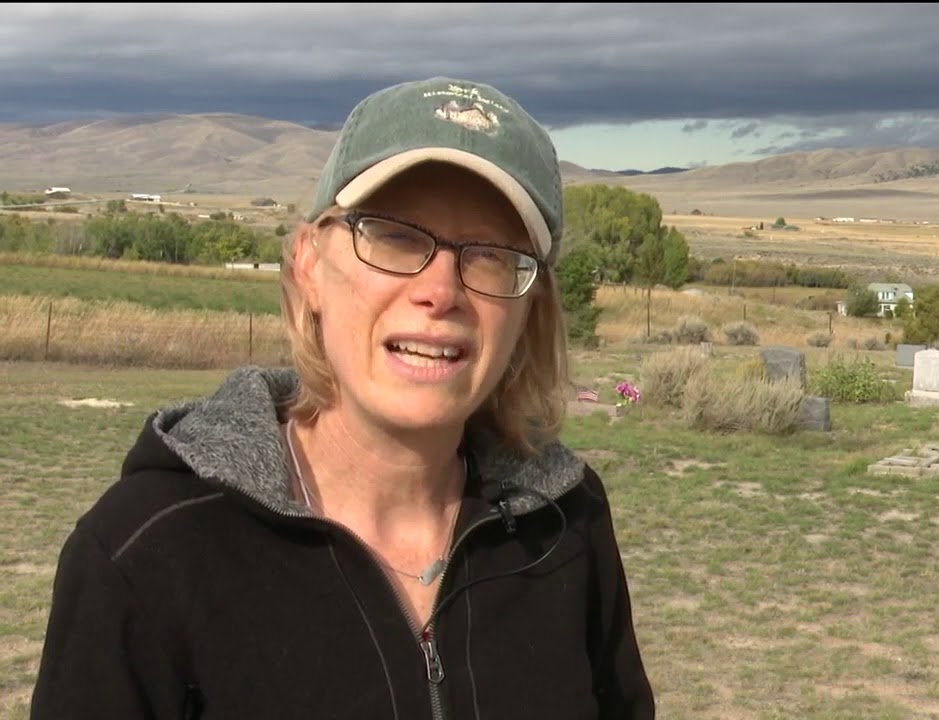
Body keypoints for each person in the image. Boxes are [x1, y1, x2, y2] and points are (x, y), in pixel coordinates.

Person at [30, 77, 655, 719]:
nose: (440, 291)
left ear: (531, 308)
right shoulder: (145, 551)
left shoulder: (566, 521)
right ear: (309, 261)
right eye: (394, 235)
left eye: (492, 255)